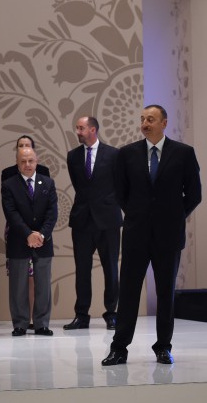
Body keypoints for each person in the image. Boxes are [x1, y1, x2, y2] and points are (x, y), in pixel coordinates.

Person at [102, 105, 202, 366]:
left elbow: (194, 194)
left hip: (168, 236)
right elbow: (120, 192)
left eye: (151, 119)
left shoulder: (184, 153)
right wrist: (137, 214)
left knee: (166, 293)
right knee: (129, 292)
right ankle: (119, 348)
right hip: (136, 233)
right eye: (142, 119)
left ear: (164, 123)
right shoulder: (126, 154)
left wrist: (174, 216)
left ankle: (163, 347)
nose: (145, 123)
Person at [64, 117, 122, 331]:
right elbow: (80, 186)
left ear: (93, 129)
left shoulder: (114, 154)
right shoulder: (73, 156)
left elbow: (120, 184)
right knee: (82, 269)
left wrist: (110, 203)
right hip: (82, 219)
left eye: (81, 128)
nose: (77, 131)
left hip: (108, 219)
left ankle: (112, 313)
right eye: (77, 128)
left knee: (111, 269)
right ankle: (81, 315)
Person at [2, 147, 57, 337]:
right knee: (18, 285)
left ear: (37, 161)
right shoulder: (9, 185)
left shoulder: (48, 183)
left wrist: (41, 235)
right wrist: (28, 234)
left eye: (31, 161)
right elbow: (11, 213)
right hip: (19, 240)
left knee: (43, 285)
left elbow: (52, 213)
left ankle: (41, 324)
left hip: (44, 241)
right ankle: (20, 324)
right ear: (17, 162)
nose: (27, 165)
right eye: (23, 161)